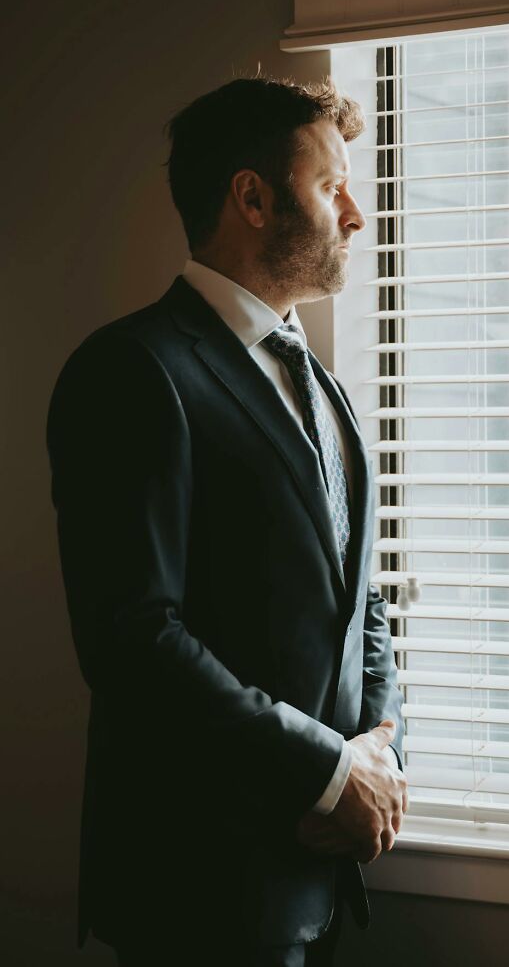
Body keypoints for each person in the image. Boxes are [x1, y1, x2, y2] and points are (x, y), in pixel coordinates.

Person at [46, 75, 407, 966]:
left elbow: (361, 599)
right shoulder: (132, 372)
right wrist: (325, 773)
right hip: (197, 888)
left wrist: (380, 754)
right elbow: (133, 638)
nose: (356, 214)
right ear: (252, 197)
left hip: (318, 882)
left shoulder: (321, 383)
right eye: (332, 187)